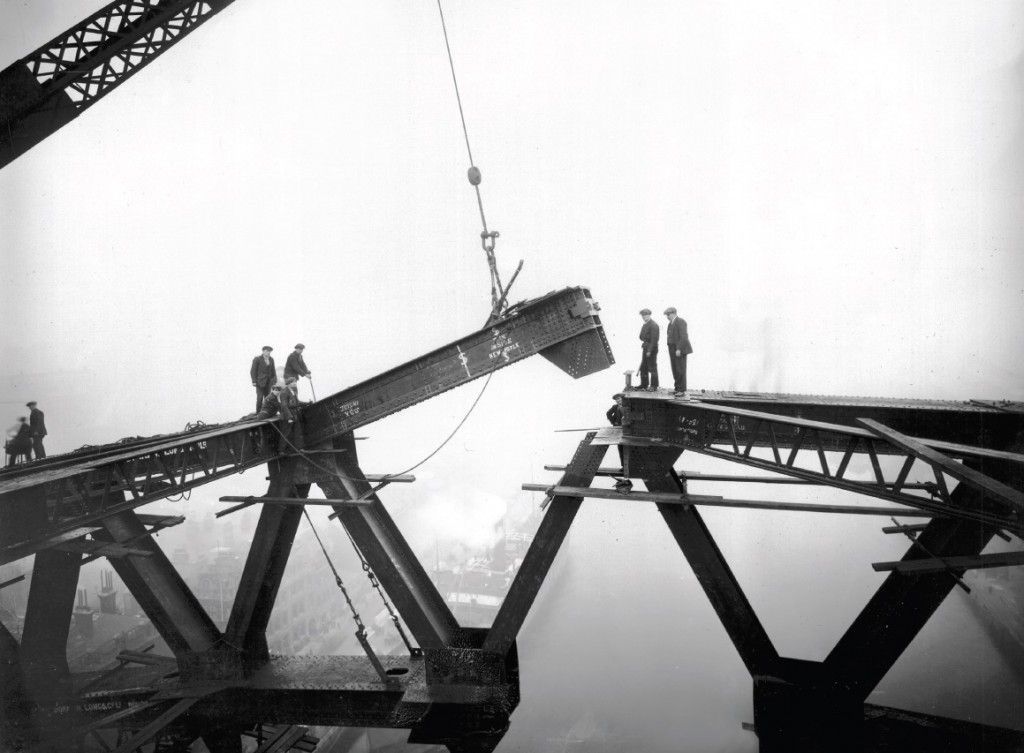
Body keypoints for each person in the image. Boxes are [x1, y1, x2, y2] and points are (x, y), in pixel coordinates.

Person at [664, 307, 693, 397]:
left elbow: (684, 337)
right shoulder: (670, 324)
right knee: (675, 369)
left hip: (679, 349)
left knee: (680, 369)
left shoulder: (681, 322)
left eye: (668, 314)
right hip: (672, 348)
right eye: (666, 315)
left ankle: (681, 390)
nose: (667, 316)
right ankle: (677, 388)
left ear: (674, 313)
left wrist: (679, 349)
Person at [606, 393, 632, 491]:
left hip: (628, 431)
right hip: (618, 430)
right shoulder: (615, 407)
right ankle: (623, 466)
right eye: (616, 399)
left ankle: (628, 466)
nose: (618, 401)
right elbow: (608, 414)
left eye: (619, 399)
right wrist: (614, 423)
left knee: (628, 448)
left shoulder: (628, 406)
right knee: (620, 448)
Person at [250, 346, 277, 413]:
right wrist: (254, 381)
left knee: (268, 397)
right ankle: (258, 412)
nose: (268, 352)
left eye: (269, 351)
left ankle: (267, 411)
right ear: (263, 351)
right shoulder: (257, 359)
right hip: (260, 382)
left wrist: (274, 381)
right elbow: (253, 371)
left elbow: (273, 371)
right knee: (260, 398)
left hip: (269, 382)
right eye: (266, 351)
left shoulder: (271, 359)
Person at [638, 308, 659, 391]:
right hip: (645, 347)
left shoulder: (653, 325)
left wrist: (649, 350)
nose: (643, 317)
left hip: (651, 349)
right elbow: (641, 337)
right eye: (642, 315)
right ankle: (644, 385)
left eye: (645, 315)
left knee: (652, 368)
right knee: (643, 367)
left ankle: (654, 386)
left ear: (649, 315)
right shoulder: (645, 324)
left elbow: (654, 340)